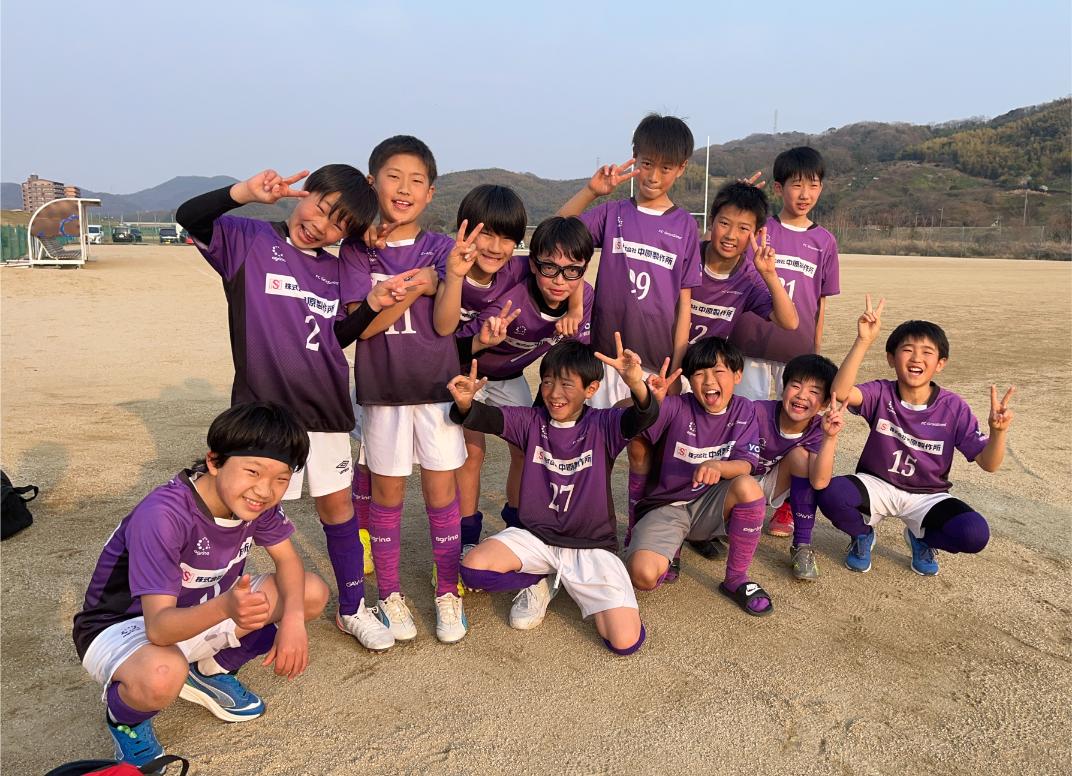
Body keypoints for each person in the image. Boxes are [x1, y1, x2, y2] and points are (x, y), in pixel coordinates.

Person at [177, 166, 404, 652]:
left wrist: (370, 305)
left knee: (338, 509)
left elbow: (334, 337)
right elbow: (189, 216)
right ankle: (209, 612)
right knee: (244, 512)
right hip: (262, 416)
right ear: (306, 194)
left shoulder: (335, 268)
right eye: (321, 208)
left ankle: (352, 608)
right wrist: (244, 193)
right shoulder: (249, 241)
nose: (322, 226)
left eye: (338, 225)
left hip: (324, 409)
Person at [72, 403, 330, 767]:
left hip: (200, 608)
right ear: (214, 462)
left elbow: (288, 561)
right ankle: (125, 720)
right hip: (124, 625)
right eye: (253, 471)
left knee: (309, 593)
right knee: (162, 673)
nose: (264, 490)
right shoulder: (164, 515)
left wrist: (292, 621)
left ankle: (210, 669)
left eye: (281, 479)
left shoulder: (257, 503)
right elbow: (159, 629)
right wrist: (226, 607)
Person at [338, 135, 480, 644]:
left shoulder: (440, 248)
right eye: (393, 177)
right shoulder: (356, 250)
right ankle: (390, 594)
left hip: (436, 390)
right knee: (387, 495)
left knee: (441, 493)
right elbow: (365, 328)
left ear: (430, 192)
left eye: (416, 181)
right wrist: (416, 284)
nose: (404, 189)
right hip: (383, 392)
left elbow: (445, 326)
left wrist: (449, 278)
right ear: (372, 182)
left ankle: (446, 590)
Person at [452, 338, 661, 653]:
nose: (553, 393)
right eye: (548, 382)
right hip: (537, 538)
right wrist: (466, 404)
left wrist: (636, 384)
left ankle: (576, 584)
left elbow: (643, 416)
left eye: (566, 384)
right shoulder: (531, 421)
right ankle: (540, 577)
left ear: (591, 389)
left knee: (624, 642)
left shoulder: (603, 425)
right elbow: (487, 418)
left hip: (590, 546)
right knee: (472, 569)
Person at [558, 113, 702, 539]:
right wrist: (591, 191)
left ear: (682, 169)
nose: (653, 176)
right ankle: (587, 529)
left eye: (665, 167)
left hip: (653, 365)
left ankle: (637, 529)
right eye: (646, 163)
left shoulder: (685, 225)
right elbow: (557, 233)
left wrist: (676, 371)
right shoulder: (614, 213)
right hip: (604, 359)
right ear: (634, 157)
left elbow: (684, 306)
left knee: (641, 448)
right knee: (595, 446)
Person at [816, 296, 1014, 575]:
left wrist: (998, 432)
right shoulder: (881, 393)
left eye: (927, 352)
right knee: (831, 494)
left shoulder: (953, 407)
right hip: (878, 483)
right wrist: (863, 341)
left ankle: (921, 538)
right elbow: (841, 393)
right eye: (907, 350)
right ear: (891, 358)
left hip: (927, 495)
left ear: (940, 363)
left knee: (973, 533)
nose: (916, 358)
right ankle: (862, 534)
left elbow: (989, 463)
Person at [452, 215, 595, 555]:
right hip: (468, 372)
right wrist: (482, 340)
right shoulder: (510, 295)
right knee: (472, 453)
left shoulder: (583, 298)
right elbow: (454, 346)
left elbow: (575, 363)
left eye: (571, 271)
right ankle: (466, 534)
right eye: (549, 268)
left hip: (508, 377)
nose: (559, 280)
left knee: (526, 448)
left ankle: (516, 525)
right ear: (532, 264)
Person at [729, 146, 841, 536]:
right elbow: (721, 250)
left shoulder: (825, 241)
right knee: (745, 425)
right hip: (750, 350)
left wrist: (815, 356)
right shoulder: (761, 229)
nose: (805, 194)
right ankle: (738, 499)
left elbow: (820, 305)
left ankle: (788, 505)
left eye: (813, 185)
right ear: (779, 188)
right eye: (796, 185)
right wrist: (739, 203)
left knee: (799, 432)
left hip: (797, 358)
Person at [624, 337, 774, 616]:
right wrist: (647, 399)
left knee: (749, 487)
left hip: (710, 506)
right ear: (690, 381)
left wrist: (719, 467)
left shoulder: (744, 409)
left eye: (718, 371)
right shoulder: (677, 406)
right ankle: (668, 545)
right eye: (699, 373)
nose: (708, 381)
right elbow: (632, 424)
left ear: (737, 375)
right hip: (667, 507)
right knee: (643, 575)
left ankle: (736, 579)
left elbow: (746, 463)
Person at [690, 354, 844, 580]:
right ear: (783, 387)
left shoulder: (817, 428)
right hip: (729, 480)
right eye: (795, 385)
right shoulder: (756, 411)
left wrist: (830, 438)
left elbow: (819, 482)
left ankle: (802, 545)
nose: (802, 395)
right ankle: (704, 529)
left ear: (824, 403)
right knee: (741, 482)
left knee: (800, 458)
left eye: (814, 391)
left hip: (759, 481)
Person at [688, 181, 797, 344]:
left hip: (706, 360)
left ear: (757, 234)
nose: (731, 235)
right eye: (724, 223)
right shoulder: (687, 256)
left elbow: (789, 322)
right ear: (711, 221)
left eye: (743, 228)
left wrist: (769, 274)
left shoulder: (748, 278)